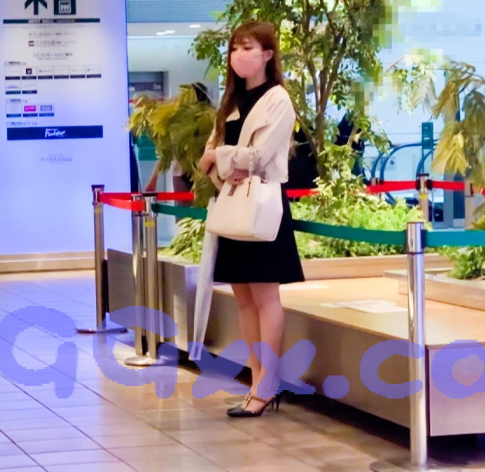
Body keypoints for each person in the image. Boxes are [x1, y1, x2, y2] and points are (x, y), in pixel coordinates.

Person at [198, 21, 304, 418]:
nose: (238, 55)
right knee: (243, 298)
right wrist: (221, 161)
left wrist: (220, 158)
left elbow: (257, 158)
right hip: (233, 204)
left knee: (265, 296)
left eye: (247, 47)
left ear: (267, 54)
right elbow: (209, 157)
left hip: (262, 205)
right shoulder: (231, 100)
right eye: (234, 48)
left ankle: (268, 382)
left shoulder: (277, 99)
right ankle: (257, 380)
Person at [144, 82, 214, 201]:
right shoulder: (180, 121)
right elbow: (166, 152)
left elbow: (166, 153)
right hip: (188, 172)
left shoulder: (209, 120)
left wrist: (153, 179)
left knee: (198, 208)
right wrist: (153, 179)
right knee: (185, 208)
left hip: (202, 172)